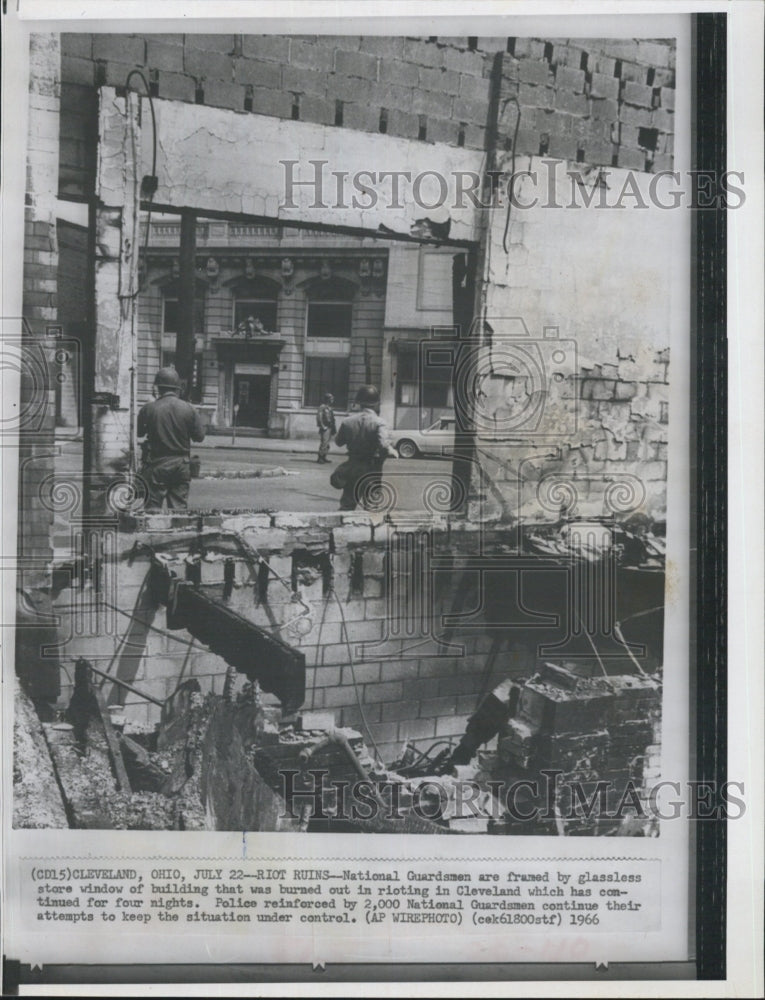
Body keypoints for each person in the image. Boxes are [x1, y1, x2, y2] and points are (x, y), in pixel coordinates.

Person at [137, 366, 206, 510]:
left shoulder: (148, 409)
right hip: (181, 465)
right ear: (177, 388)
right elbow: (199, 437)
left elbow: (139, 433)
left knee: (152, 509)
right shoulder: (189, 409)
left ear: (158, 388)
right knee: (178, 509)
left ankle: (153, 531)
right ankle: (179, 529)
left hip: (156, 465)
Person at [333, 385, 397, 511]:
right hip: (371, 468)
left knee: (347, 504)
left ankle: (343, 529)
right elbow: (383, 445)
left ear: (359, 403)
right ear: (376, 403)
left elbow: (338, 442)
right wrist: (392, 451)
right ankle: (370, 530)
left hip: (353, 466)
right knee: (372, 506)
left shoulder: (347, 421)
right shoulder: (380, 423)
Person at [316, 393, 336, 463]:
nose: (332, 400)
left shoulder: (329, 407)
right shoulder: (322, 407)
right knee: (324, 443)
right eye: (331, 399)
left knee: (327, 444)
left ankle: (324, 457)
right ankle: (320, 458)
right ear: (327, 399)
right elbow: (319, 417)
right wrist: (322, 426)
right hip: (325, 427)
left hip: (330, 427)